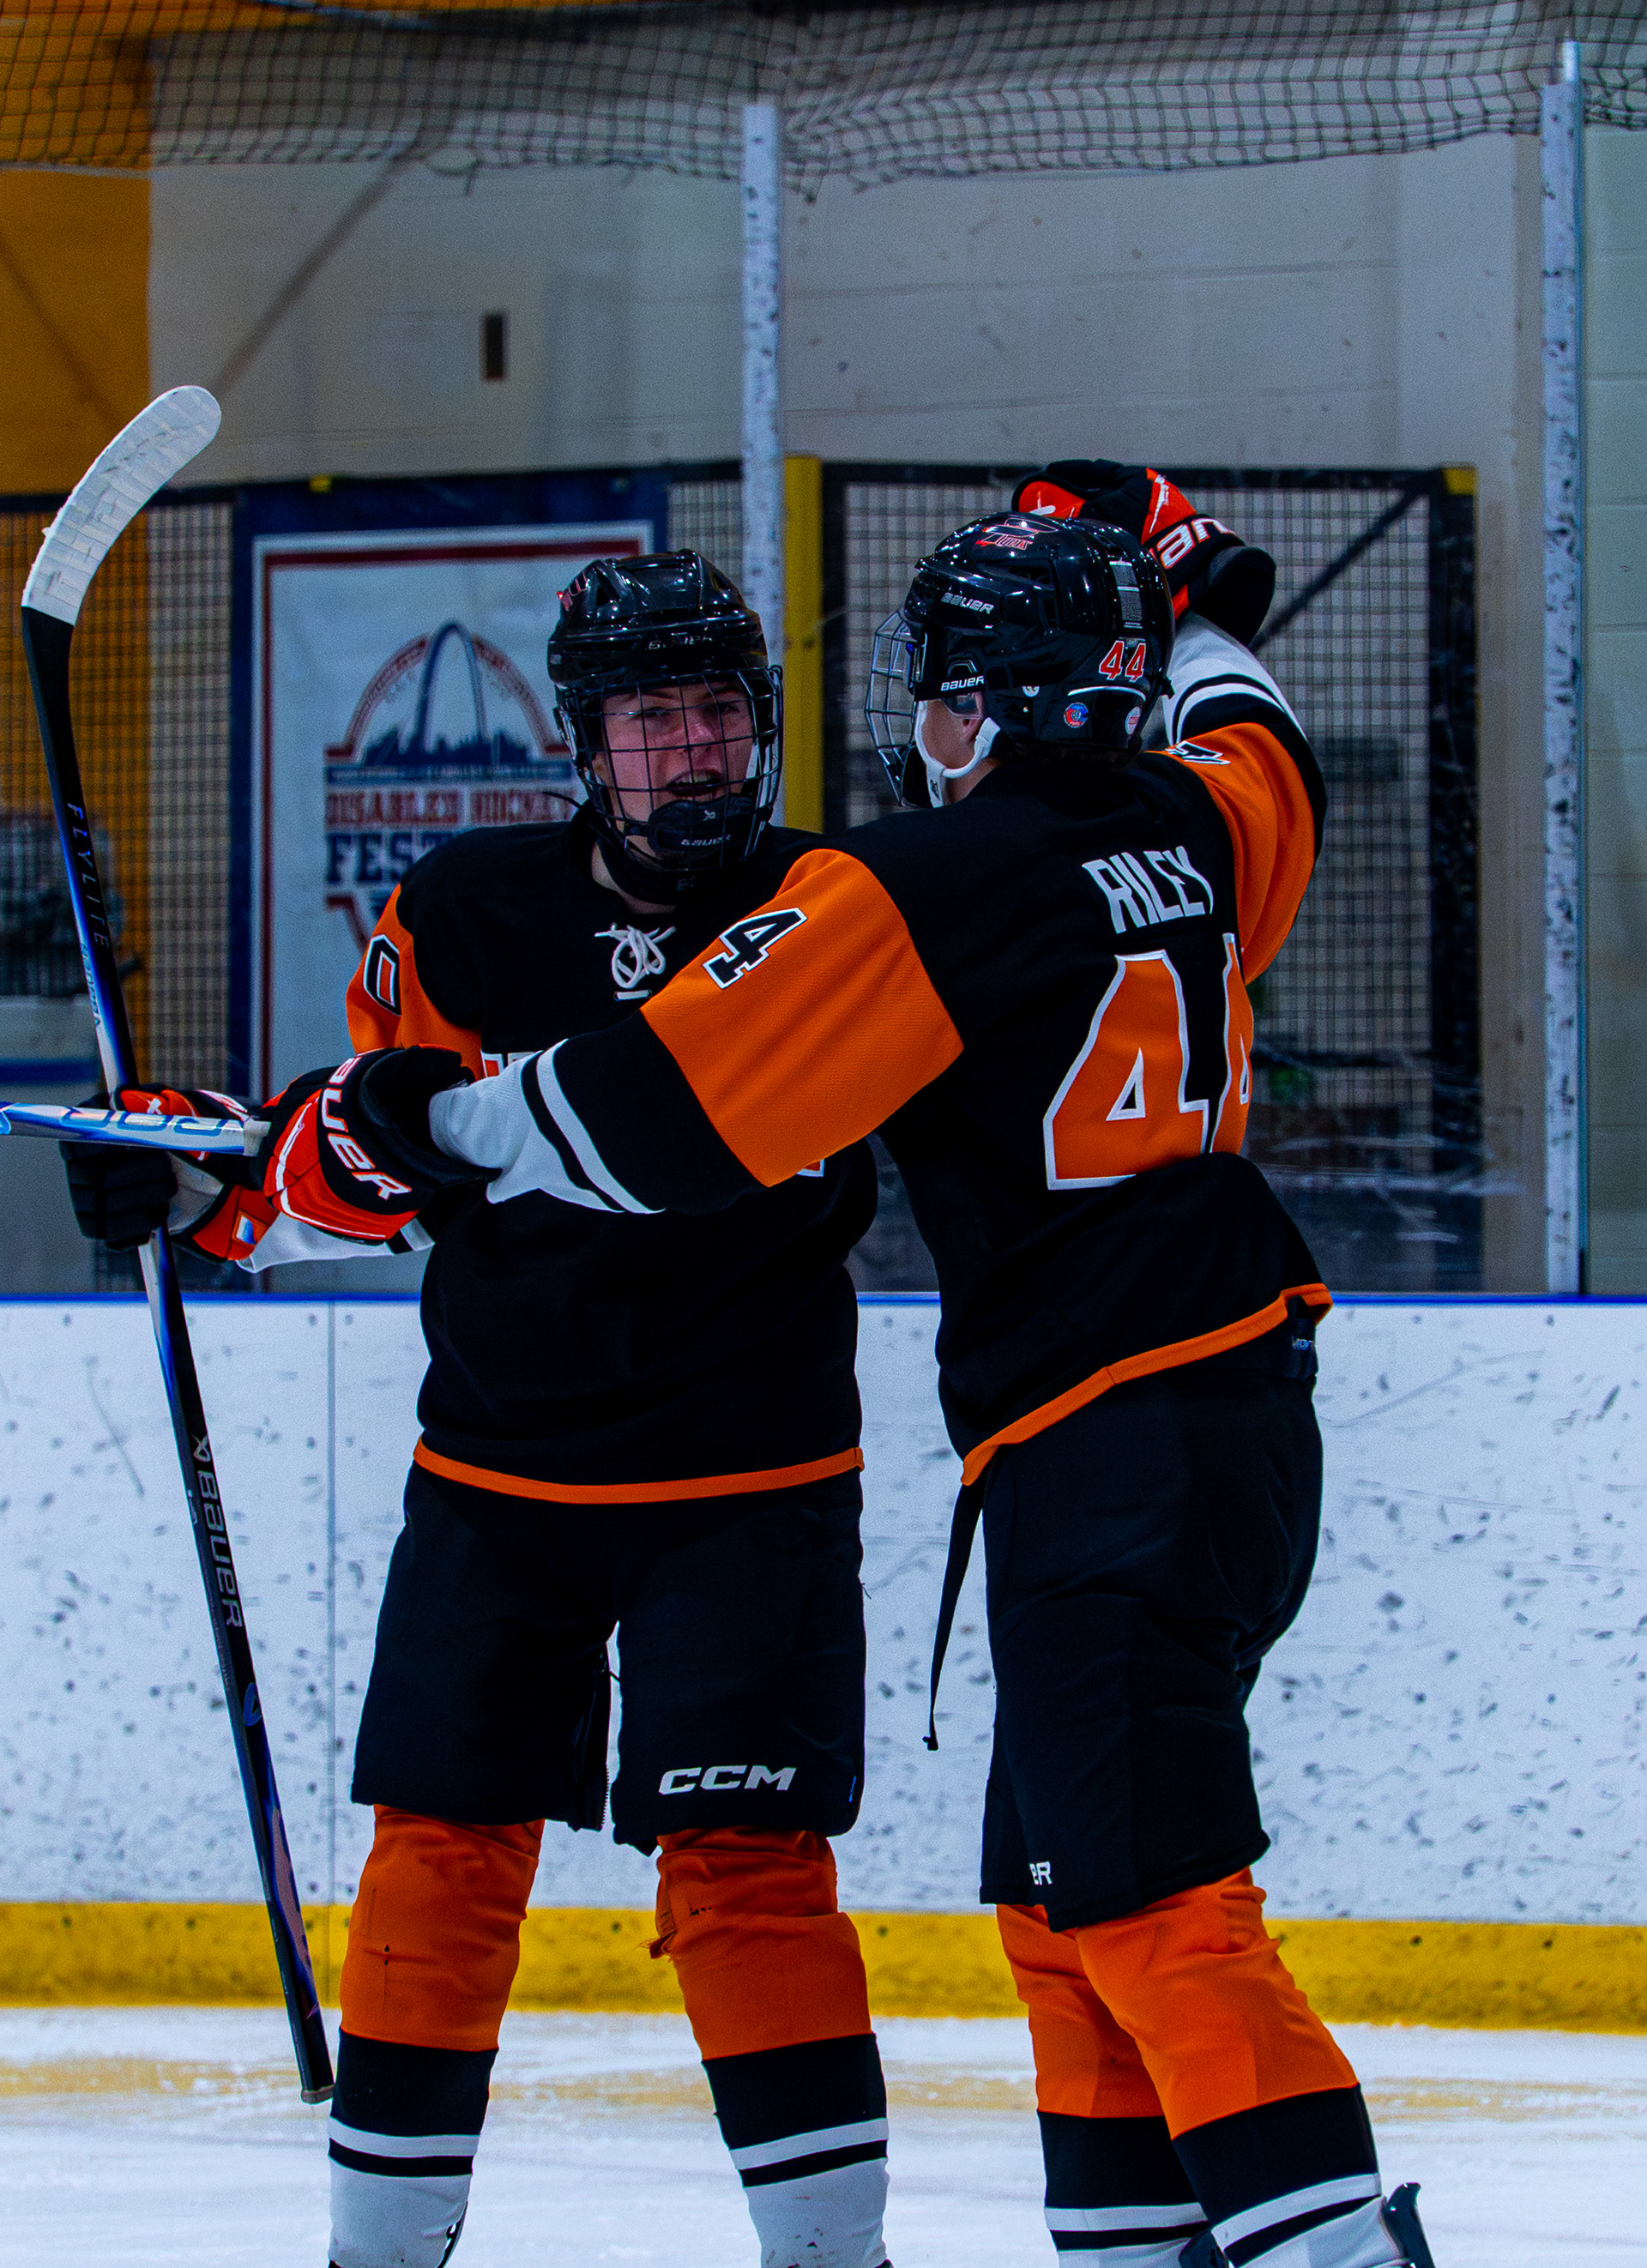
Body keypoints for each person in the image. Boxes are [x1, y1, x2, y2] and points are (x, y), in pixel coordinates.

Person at [377, 496, 1440, 2268]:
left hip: (1111, 1448)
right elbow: (1267, 747)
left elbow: (660, 1114)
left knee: (1152, 1898)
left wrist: (424, 1117)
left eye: (942, 685)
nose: (921, 717)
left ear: (989, 700)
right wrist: (1193, 605)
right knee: (1057, 1891)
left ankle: (1335, 2252)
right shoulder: (1191, 819)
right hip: (1232, 1419)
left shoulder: (924, 881)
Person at [62, 554, 890, 2268]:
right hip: (501, 1472)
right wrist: (207, 1182)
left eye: (719, 709)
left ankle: (835, 2261)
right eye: (652, 716)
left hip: (756, 1478)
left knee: (747, 1865)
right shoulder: (462, 912)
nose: (693, 747)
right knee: (440, 1850)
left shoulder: (832, 903)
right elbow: (377, 1166)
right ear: (584, 741)